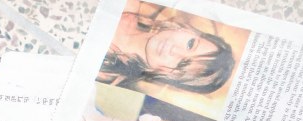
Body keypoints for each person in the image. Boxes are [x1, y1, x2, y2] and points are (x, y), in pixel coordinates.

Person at [97, 0, 235, 95]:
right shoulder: (130, 4)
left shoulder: (103, 74)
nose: (174, 50)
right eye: (190, 44)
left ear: (168, 78)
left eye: (181, 65)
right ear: (186, 30)